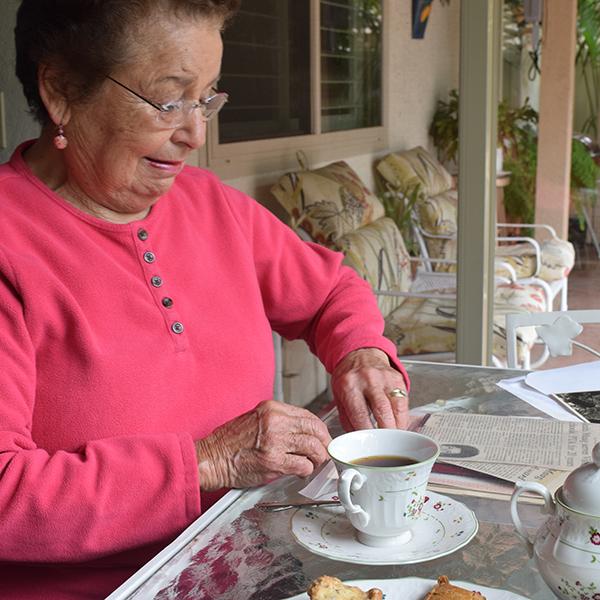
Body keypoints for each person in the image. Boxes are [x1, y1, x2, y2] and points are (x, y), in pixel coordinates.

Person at [1, 1, 410, 597]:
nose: (196, 133)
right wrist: (204, 465)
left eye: (208, 97)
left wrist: (361, 354)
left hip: (252, 564)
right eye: (170, 100)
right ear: (62, 91)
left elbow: (329, 293)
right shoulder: (11, 245)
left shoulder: (210, 203)